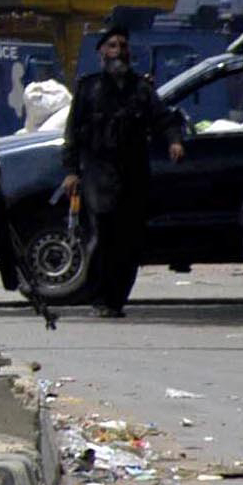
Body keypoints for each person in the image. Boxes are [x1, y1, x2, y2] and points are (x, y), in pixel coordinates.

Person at [62, 26, 184, 317]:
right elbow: (73, 134)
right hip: (97, 173)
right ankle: (100, 297)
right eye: (113, 45)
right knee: (102, 234)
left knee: (129, 240)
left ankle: (116, 301)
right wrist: (70, 171)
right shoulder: (88, 88)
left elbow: (163, 119)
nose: (119, 51)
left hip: (133, 174)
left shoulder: (141, 89)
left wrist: (175, 142)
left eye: (123, 46)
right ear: (102, 52)